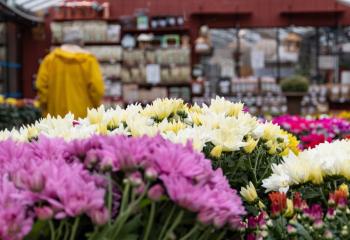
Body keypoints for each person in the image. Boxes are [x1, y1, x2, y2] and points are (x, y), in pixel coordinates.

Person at [35, 27, 104, 119]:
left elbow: (41, 86)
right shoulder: (89, 60)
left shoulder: (50, 60)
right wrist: (95, 107)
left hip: (56, 118)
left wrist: (46, 107)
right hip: (83, 119)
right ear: (81, 43)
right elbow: (97, 89)